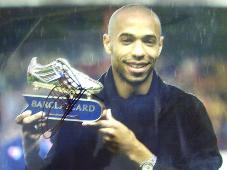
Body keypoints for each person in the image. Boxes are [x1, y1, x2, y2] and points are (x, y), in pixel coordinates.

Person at [16, 5, 222, 170]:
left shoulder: (188, 109)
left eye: (148, 41)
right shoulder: (80, 107)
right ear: (107, 43)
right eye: (127, 40)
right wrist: (31, 148)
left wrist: (138, 153)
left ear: (160, 46)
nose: (139, 52)